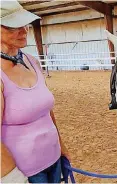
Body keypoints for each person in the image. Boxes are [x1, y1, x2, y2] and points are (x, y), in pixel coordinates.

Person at [1, 1, 69, 183]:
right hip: (25, 173)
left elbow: (47, 111)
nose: (24, 30)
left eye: (24, 24)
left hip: (53, 161)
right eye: (12, 26)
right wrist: (13, 178)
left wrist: (61, 147)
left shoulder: (31, 61)